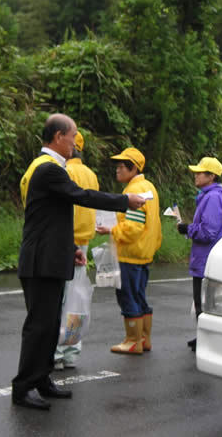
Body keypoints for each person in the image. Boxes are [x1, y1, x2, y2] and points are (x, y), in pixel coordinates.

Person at [13, 114, 145, 410]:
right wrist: (126, 202)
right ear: (59, 137)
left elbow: (50, 216)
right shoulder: (48, 169)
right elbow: (82, 196)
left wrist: (70, 246)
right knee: (39, 325)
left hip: (50, 255)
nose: (75, 143)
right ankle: (23, 386)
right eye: (73, 137)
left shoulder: (48, 168)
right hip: (40, 261)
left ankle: (42, 378)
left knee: (49, 324)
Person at [96, 147, 162, 355]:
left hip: (130, 254)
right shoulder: (148, 186)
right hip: (143, 253)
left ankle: (133, 341)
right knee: (139, 295)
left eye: (121, 167)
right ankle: (144, 339)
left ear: (133, 168)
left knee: (127, 296)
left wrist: (111, 230)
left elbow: (133, 227)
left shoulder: (135, 191)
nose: (117, 171)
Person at [177, 157, 222, 352]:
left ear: (211, 176)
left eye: (200, 173)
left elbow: (208, 231)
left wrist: (188, 229)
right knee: (206, 301)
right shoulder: (215, 195)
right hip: (209, 257)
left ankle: (208, 341)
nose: (196, 175)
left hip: (206, 258)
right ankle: (205, 338)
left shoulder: (212, 197)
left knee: (203, 301)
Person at [53, 131, 99, 370]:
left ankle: (57, 353)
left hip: (66, 242)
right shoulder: (91, 174)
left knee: (61, 299)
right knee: (76, 299)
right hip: (85, 240)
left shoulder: (64, 172)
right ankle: (72, 351)